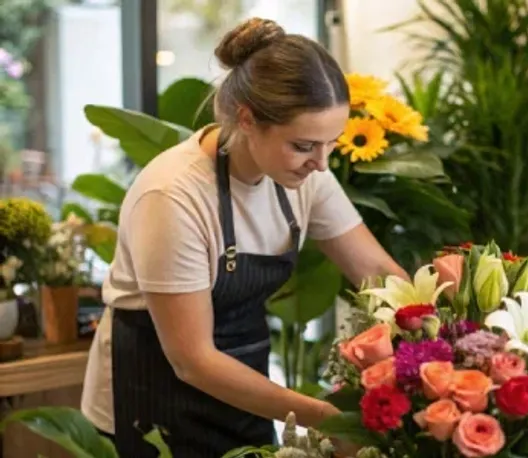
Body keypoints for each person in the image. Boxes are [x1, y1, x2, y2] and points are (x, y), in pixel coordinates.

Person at [81, 17, 407, 457]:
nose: (322, 163)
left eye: (332, 143)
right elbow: (192, 360)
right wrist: (331, 420)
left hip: (244, 389)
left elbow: (376, 272)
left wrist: (434, 343)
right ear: (247, 119)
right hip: (154, 397)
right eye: (305, 145)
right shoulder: (173, 196)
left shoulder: (305, 174)